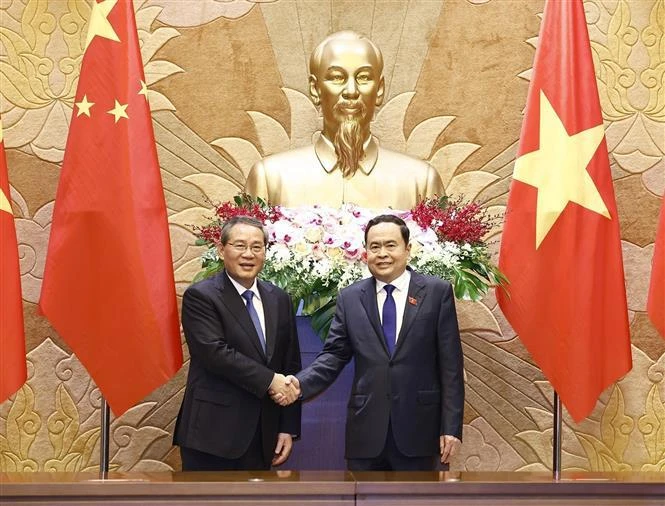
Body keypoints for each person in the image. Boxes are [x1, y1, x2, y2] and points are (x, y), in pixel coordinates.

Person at [272, 214, 464, 471]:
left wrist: (451, 428)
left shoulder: (436, 292)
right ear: (365, 253)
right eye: (374, 247)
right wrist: (299, 384)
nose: (382, 253)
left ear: (407, 250)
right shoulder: (351, 297)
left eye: (390, 245)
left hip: (420, 429)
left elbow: (451, 365)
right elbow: (334, 355)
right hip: (366, 431)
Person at [245, 31, 444, 209]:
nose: (351, 91)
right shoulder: (270, 178)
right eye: (337, 77)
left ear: (380, 89)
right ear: (315, 89)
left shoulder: (420, 181)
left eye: (364, 77)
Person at [174, 216, 301, 470]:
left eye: (257, 247)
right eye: (239, 245)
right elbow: (214, 353)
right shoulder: (201, 296)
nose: (248, 254)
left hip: (263, 435)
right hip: (212, 435)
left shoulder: (280, 299)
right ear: (222, 250)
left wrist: (287, 428)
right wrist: (270, 380)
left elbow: (290, 363)